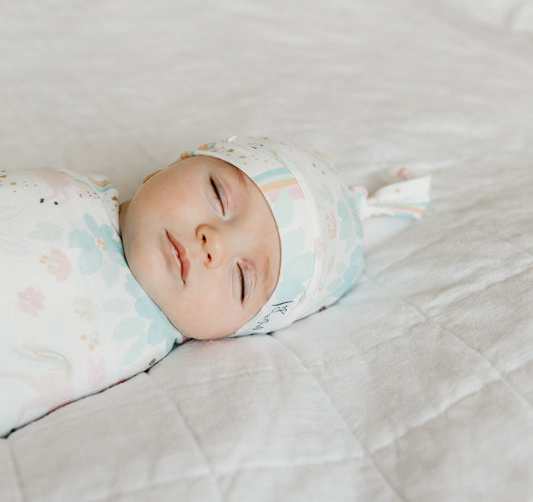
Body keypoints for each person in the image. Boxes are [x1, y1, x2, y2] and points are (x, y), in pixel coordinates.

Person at [0, 135, 430, 435]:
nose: (215, 241)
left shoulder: (130, 346)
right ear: (176, 163)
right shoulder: (70, 187)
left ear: (234, 332)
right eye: (220, 197)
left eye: (243, 278)